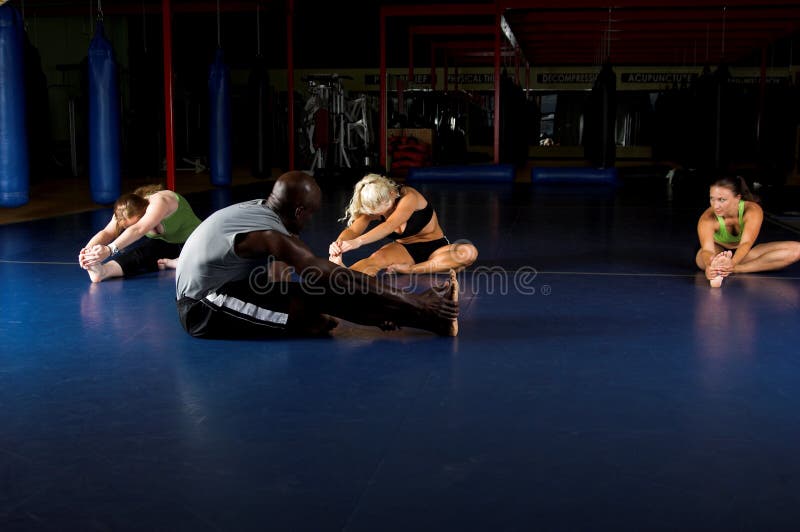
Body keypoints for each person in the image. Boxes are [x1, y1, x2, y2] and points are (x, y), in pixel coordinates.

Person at [174, 171, 460, 339]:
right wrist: (411, 298)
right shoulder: (271, 234)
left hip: (236, 288)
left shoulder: (259, 210)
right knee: (316, 312)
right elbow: (329, 276)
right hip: (204, 307)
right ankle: (424, 309)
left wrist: (370, 308)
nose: (309, 220)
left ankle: (433, 319)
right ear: (300, 211)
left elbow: (290, 280)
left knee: (322, 298)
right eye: (310, 214)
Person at [327, 173, 478, 276]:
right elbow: (353, 231)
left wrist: (357, 242)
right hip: (404, 251)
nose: (383, 214)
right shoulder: (374, 206)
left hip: (436, 248)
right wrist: (338, 246)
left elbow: (390, 225)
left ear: (392, 194)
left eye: (386, 208)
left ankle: (411, 270)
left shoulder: (409, 196)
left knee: (468, 252)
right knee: (375, 260)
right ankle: (344, 277)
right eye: (378, 212)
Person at [78, 184, 202, 283]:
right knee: (141, 254)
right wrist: (87, 252)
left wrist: (109, 249)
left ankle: (180, 261)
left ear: (144, 212)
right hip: (168, 244)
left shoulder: (160, 202)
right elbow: (107, 232)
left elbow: (138, 229)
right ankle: (102, 272)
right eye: (127, 227)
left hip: (195, 240)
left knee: (205, 258)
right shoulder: (125, 210)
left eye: (132, 224)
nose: (129, 229)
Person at [696, 175, 800, 287]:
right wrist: (709, 265)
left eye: (722, 200)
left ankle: (736, 269)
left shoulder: (752, 210)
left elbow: (746, 243)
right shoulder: (707, 218)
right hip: (717, 251)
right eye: (712, 199)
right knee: (701, 260)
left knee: (797, 249)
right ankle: (719, 266)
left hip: (746, 253)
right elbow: (707, 250)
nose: (715, 205)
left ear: (737, 198)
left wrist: (732, 264)